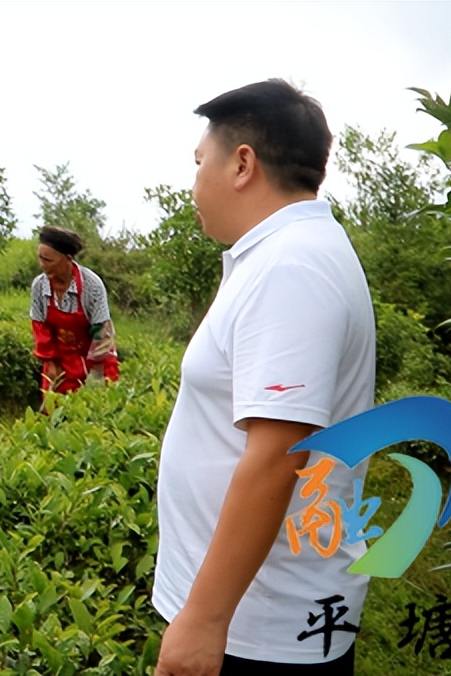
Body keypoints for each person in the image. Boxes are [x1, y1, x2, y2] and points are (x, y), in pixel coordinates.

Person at [153, 80, 376, 676]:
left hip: (256, 631)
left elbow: (279, 455)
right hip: (248, 614)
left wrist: (203, 619)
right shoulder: (284, 254)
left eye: (201, 162)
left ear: (242, 163)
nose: (194, 182)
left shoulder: (293, 265)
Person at [30, 226, 118, 396]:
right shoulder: (39, 286)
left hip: (95, 360)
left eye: (48, 260)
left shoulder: (92, 285)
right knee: (53, 412)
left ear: (67, 258)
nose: (42, 265)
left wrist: (96, 375)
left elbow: (102, 331)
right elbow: (40, 328)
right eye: (40, 258)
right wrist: (51, 363)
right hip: (60, 361)